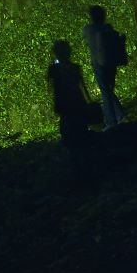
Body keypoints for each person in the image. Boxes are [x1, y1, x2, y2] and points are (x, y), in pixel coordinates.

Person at [49, 39, 94, 174]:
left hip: (65, 105)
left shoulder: (53, 69)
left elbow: (52, 88)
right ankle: (85, 166)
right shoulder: (75, 67)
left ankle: (75, 167)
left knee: (68, 135)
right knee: (80, 133)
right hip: (77, 104)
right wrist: (89, 102)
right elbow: (82, 87)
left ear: (55, 53)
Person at [84, 4, 129, 128]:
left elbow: (89, 42)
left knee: (106, 92)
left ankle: (112, 121)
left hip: (98, 64)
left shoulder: (88, 29)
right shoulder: (108, 28)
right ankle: (120, 116)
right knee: (109, 90)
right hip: (111, 63)